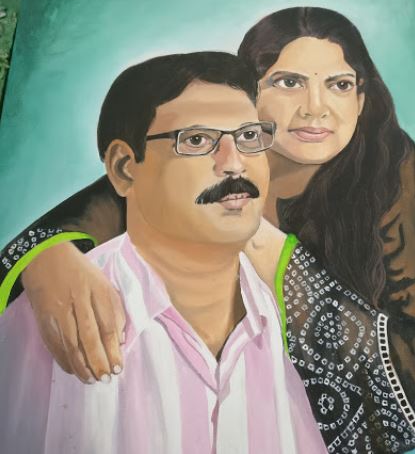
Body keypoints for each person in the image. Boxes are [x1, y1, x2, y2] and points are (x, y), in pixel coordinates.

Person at [0, 7, 415, 452]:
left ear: (362, 98)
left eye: (340, 84)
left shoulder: (385, 161)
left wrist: (267, 249)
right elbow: (88, 214)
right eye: (288, 82)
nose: (316, 108)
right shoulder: (190, 157)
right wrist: (47, 260)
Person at [0, 51, 326, 454]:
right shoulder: (58, 311)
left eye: (248, 137)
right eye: (196, 140)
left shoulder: (267, 314)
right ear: (124, 167)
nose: (234, 164)